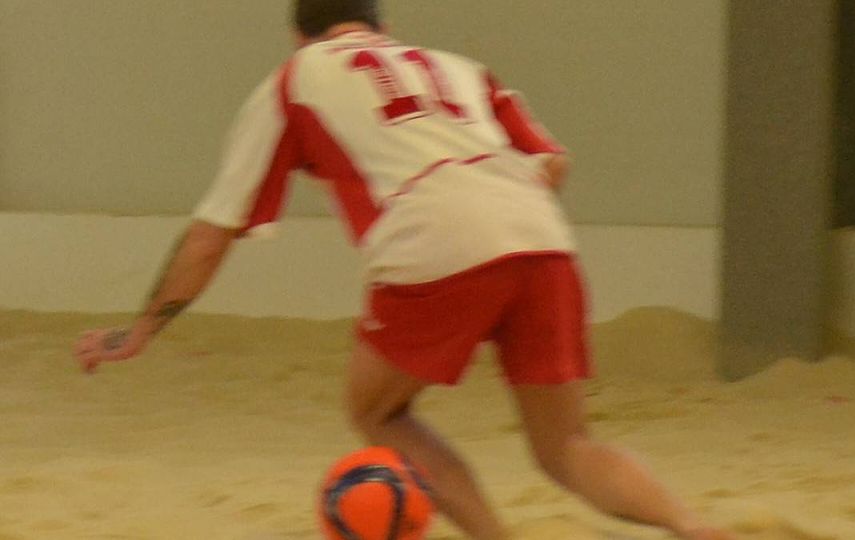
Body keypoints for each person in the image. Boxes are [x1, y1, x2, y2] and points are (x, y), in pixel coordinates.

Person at [74, 1, 735, 539]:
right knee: (567, 447)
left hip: (432, 235)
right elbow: (554, 163)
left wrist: (141, 330)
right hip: (540, 235)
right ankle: (693, 527)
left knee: (376, 411)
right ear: (384, 26)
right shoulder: (461, 68)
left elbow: (211, 234)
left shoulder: (294, 78)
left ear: (299, 36)